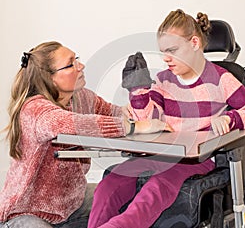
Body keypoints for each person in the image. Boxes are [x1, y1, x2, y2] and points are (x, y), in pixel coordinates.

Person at [88, 10, 245, 228]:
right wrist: (138, 90)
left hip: (195, 160)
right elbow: (146, 119)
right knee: (110, 183)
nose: (166, 58)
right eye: (163, 52)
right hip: (161, 153)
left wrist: (231, 118)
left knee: (154, 190)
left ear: (194, 42)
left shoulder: (221, 79)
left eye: (172, 50)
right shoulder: (163, 80)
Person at [0, 41, 170, 228]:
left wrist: (139, 94)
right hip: (27, 213)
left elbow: (119, 113)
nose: (81, 66)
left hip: (71, 204)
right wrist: (133, 127)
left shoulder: (83, 98)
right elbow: (72, 124)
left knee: (125, 204)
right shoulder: (34, 109)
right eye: (71, 63)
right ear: (51, 78)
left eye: (77, 59)